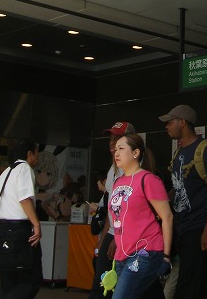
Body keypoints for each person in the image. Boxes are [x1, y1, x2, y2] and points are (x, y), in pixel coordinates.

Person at [160, 104, 207, 299]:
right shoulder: (179, 152)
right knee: (199, 284)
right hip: (182, 228)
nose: (166, 126)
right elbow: (179, 188)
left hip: (198, 228)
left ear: (182, 122)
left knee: (188, 286)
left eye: (170, 122)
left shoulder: (206, 150)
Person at [108, 133, 173, 298]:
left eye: (121, 148)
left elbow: (167, 217)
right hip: (122, 254)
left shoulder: (148, 179)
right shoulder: (117, 182)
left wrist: (166, 256)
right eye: (115, 149)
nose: (116, 153)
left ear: (135, 153)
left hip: (145, 251)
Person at [89, 121, 135, 299]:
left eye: (117, 138)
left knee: (122, 285)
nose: (112, 142)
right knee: (101, 283)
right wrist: (103, 238)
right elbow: (112, 206)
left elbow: (129, 207)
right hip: (112, 231)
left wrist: (117, 237)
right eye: (111, 138)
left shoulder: (134, 168)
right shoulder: (112, 169)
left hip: (128, 234)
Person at [0, 138, 43, 299]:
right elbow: (24, 199)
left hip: (2, 229)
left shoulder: (6, 171)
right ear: (30, 154)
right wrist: (36, 224)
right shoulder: (24, 168)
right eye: (37, 152)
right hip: (19, 230)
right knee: (32, 279)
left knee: (8, 281)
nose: (38, 156)